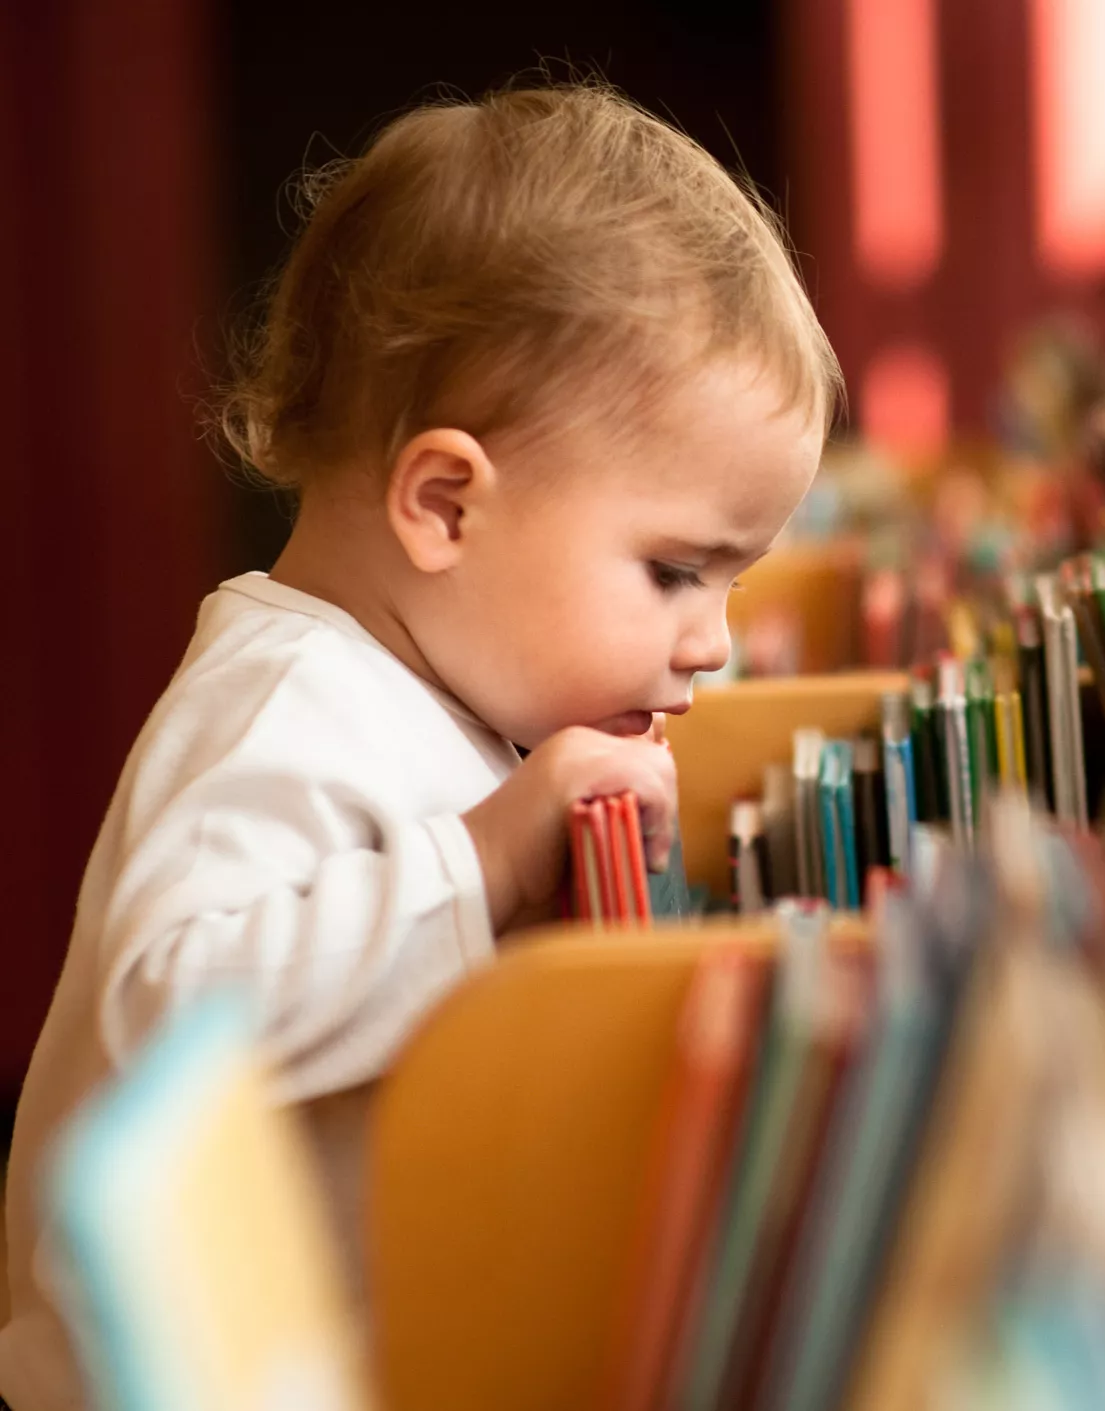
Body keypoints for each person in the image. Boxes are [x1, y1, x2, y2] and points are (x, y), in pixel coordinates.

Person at [0, 82, 839, 1410]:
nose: (713, 643)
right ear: (445, 504)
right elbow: (167, 1010)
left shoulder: (449, 691)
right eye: (678, 570)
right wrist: (490, 854)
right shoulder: (282, 707)